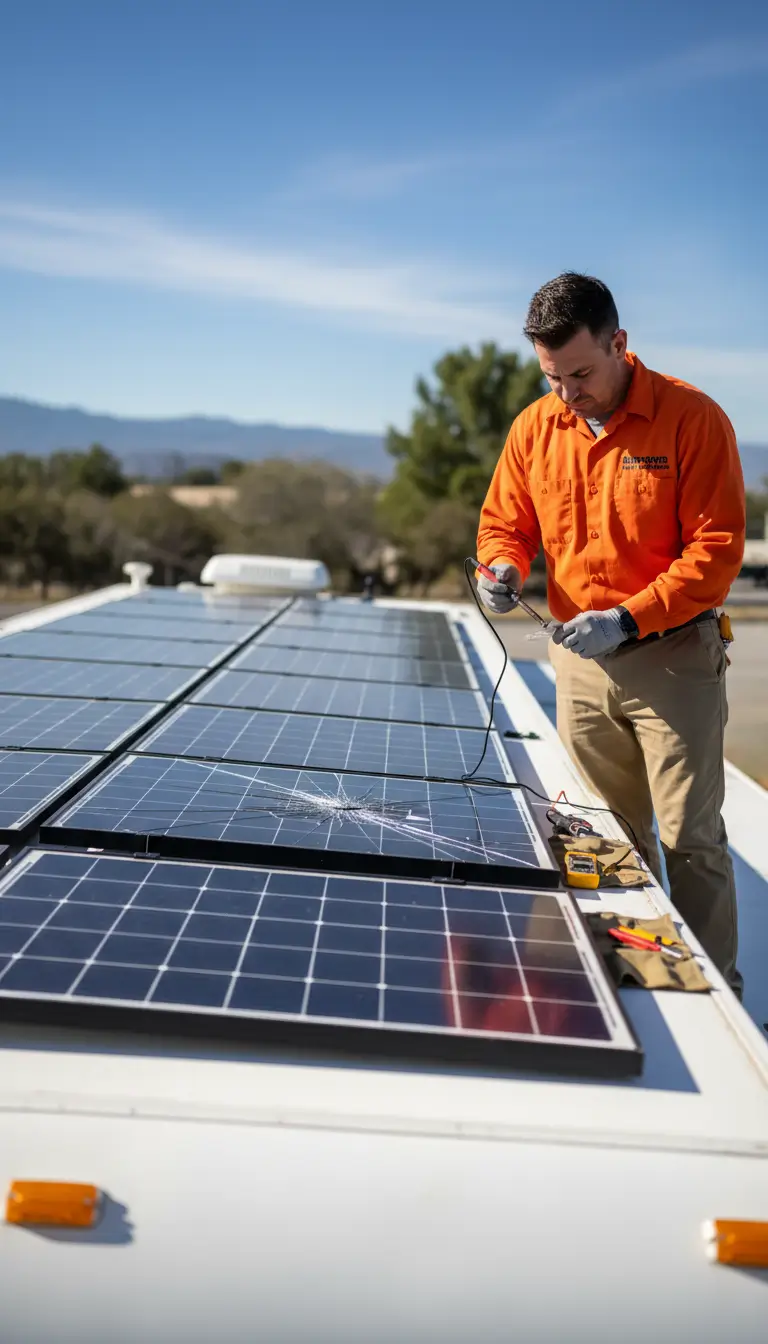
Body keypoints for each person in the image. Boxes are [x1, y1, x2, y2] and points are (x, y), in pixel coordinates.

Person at [476, 272, 746, 991]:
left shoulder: (693, 419)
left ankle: (714, 997)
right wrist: (500, 567)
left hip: (674, 658)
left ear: (620, 343)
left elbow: (716, 551)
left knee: (691, 839)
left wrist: (628, 618)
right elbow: (507, 521)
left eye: (581, 374)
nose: (566, 393)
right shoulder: (536, 427)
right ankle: (640, 978)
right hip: (581, 667)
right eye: (552, 377)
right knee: (603, 836)